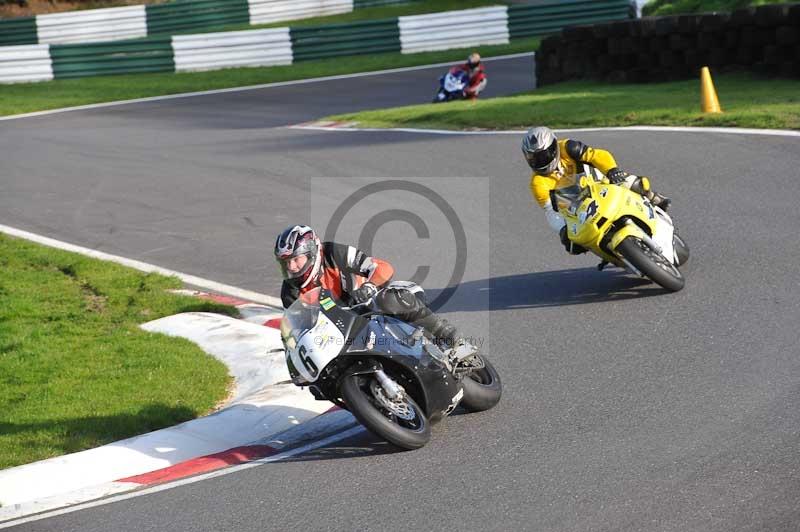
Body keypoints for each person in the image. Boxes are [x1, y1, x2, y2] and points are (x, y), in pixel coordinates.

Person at [274, 225, 462, 349]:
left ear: (313, 253)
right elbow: (297, 330)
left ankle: (443, 332)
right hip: (341, 332)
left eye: (295, 260)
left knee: (390, 298)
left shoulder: (332, 253)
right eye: (285, 263)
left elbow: (382, 267)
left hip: (371, 305)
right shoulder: (290, 293)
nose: (291, 267)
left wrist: (370, 287)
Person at [521, 126, 671, 254]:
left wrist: (612, 170)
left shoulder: (568, 147)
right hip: (577, 208)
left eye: (543, 155)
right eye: (534, 158)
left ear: (553, 147)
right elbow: (551, 211)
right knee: (576, 241)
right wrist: (563, 230)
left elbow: (597, 155)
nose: (540, 161)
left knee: (632, 183)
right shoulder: (537, 183)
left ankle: (653, 197)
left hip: (598, 183)